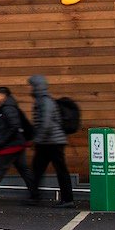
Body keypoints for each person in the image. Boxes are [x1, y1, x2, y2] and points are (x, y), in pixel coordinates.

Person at [0, 86, 37, 201]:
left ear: (3, 95)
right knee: (23, 169)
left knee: (0, 169)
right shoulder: (9, 107)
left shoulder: (7, 108)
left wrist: (3, 141)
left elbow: (14, 126)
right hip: (17, 144)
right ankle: (35, 192)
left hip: (10, 145)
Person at [28, 74, 74, 207]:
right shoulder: (43, 100)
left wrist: (37, 139)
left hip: (52, 142)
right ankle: (34, 196)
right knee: (38, 169)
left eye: (31, 85)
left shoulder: (45, 101)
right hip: (49, 141)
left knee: (59, 170)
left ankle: (67, 199)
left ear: (37, 86)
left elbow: (46, 123)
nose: (30, 88)